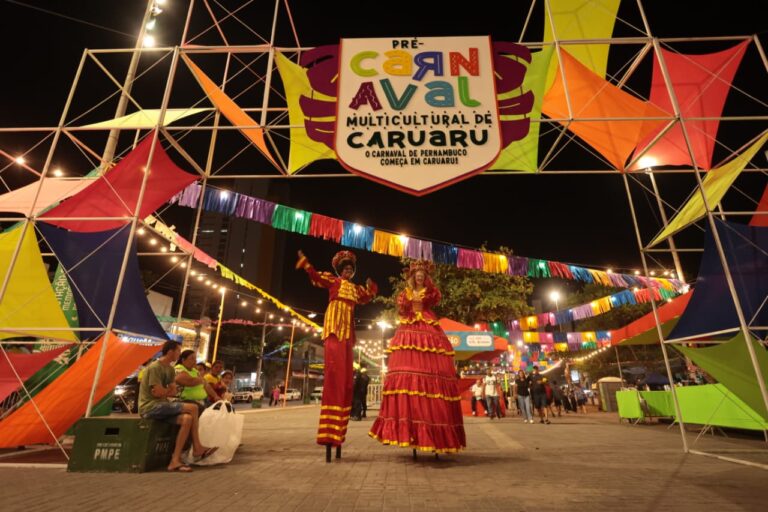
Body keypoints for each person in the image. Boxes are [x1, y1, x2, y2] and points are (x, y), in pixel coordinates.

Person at [369, 260, 466, 454]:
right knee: (408, 373)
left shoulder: (429, 292)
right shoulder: (405, 293)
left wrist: (426, 292)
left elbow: (434, 297)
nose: (420, 276)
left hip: (428, 327)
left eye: (423, 274)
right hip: (409, 327)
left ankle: (435, 434)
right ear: (412, 277)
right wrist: (408, 299)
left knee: (432, 372)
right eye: (417, 274)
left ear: (426, 277)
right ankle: (411, 429)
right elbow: (402, 309)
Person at [297, 249, 377, 460]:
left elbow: (367, 297)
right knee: (334, 374)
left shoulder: (355, 288)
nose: (348, 271)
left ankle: (339, 427)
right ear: (340, 270)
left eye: (351, 268)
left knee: (345, 380)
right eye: (346, 268)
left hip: (347, 334)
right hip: (334, 329)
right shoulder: (333, 281)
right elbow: (315, 277)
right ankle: (329, 432)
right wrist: (306, 263)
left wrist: (371, 288)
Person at [138, 340, 217, 472]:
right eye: (178, 351)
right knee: (193, 408)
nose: (179, 354)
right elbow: (157, 393)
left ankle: (175, 460)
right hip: (150, 407)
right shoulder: (155, 367)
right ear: (170, 352)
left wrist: (165, 391)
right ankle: (197, 447)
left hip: (162, 405)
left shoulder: (169, 369)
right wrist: (165, 391)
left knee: (187, 419)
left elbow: (173, 391)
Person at [174, 349, 218, 414]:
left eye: (195, 359)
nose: (195, 361)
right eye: (192, 358)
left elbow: (206, 385)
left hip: (204, 400)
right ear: (183, 360)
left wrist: (215, 396)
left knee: (222, 409)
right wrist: (201, 379)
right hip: (188, 400)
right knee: (210, 413)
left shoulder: (194, 371)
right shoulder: (179, 368)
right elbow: (190, 381)